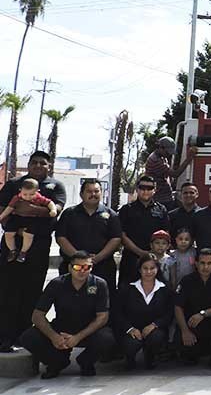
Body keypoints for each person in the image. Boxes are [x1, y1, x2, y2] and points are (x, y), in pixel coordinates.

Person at [0, 151, 66, 353]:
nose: (38, 166)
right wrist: (23, 221)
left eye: (43, 163)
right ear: (28, 165)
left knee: (32, 291)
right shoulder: (13, 184)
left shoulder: (55, 186)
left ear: (49, 166)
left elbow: (56, 211)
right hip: (12, 244)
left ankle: (24, 335)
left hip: (38, 246)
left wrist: (31, 210)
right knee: (7, 290)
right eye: (34, 162)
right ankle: (4, 336)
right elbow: (3, 210)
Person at [20, 251, 114, 379]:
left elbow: (102, 317)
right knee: (28, 337)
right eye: (77, 267)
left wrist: (77, 337)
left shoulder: (99, 284)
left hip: (87, 330)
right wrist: (53, 336)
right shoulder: (56, 284)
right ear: (70, 267)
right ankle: (56, 363)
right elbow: (37, 315)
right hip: (61, 329)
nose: (82, 271)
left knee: (107, 337)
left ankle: (86, 362)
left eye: (87, 267)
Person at [55, 180, 122, 294]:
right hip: (73, 268)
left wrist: (96, 258)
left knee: (102, 304)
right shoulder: (69, 213)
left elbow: (116, 239)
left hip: (102, 267)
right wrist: (80, 259)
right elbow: (61, 237)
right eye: (89, 191)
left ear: (101, 193)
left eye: (96, 191)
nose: (93, 194)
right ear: (81, 194)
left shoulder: (111, 215)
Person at [112, 253, 172, 370]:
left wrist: (154, 325)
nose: (148, 272)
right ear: (139, 269)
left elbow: (169, 313)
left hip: (154, 329)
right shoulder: (127, 288)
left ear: (157, 269)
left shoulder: (164, 289)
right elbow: (117, 312)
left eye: (152, 268)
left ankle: (150, 357)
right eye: (145, 268)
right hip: (131, 329)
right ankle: (130, 358)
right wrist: (130, 329)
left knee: (156, 337)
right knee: (131, 344)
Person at [174, 248, 211, 371]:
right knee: (182, 345)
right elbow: (178, 307)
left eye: (209, 263)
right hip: (192, 324)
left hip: (210, 322)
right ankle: (192, 355)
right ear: (196, 263)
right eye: (202, 263)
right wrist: (185, 331)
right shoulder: (187, 280)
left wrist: (203, 314)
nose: (205, 267)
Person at [118, 175, 170, 288]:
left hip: (155, 261)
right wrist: (140, 252)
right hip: (131, 260)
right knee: (126, 293)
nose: (146, 191)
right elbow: (122, 235)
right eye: (142, 187)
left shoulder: (161, 210)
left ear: (154, 190)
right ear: (137, 189)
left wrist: (155, 253)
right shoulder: (126, 210)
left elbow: (165, 235)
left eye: (150, 188)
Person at [1, 177, 57, 263]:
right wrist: (1, 216)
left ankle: (23, 252)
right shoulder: (17, 198)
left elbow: (50, 203)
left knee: (28, 235)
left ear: (37, 191)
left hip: (32, 218)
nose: (28, 197)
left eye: (31, 194)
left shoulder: (39, 198)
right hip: (17, 217)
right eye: (25, 194)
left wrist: (53, 210)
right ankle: (13, 250)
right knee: (8, 233)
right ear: (20, 190)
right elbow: (9, 208)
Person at [145, 137, 197, 208]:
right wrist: (189, 158)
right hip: (161, 199)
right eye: (167, 152)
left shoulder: (161, 157)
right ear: (161, 148)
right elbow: (175, 174)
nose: (169, 154)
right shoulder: (155, 160)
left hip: (165, 197)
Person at [162, 228, 196, 292]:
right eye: (180, 239)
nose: (183, 241)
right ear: (176, 240)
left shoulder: (193, 252)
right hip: (177, 285)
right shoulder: (172, 255)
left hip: (191, 285)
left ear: (191, 241)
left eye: (186, 239)